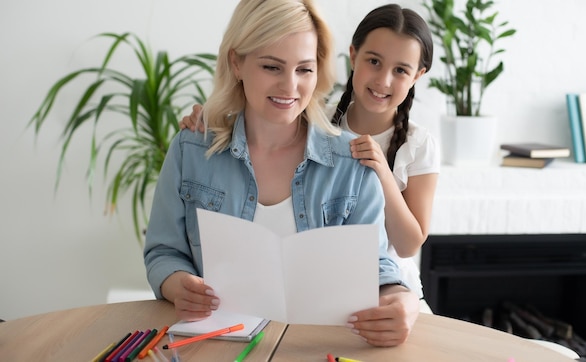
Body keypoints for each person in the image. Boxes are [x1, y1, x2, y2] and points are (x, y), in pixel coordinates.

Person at [144, 0, 419, 348]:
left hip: (318, 348)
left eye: (304, 69)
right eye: (272, 67)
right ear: (237, 62)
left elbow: (376, 267)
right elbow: (162, 252)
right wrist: (175, 283)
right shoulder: (191, 150)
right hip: (216, 347)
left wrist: (403, 300)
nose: (290, 87)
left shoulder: (353, 162)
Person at [180, 4, 439, 299]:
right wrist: (208, 118)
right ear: (353, 56)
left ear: (418, 75)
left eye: (400, 70)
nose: (383, 80)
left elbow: (408, 245)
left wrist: (381, 170)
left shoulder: (418, 144)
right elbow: (263, 114)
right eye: (374, 62)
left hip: (390, 286)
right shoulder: (316, 121)